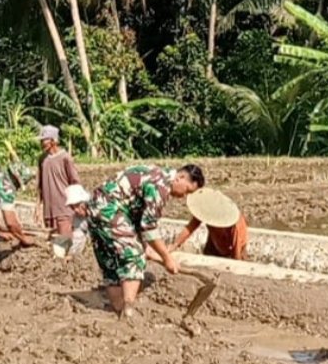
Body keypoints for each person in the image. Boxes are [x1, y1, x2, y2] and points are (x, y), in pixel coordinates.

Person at [65, 164, 205, 319]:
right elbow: (149, 228)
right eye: (187, 191)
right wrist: (167, 258)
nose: (184, 196)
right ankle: (128, 311)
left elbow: (138, 226)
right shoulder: (161, 186)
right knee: (135, 257)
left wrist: (155, 254)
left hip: (95, 210)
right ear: (181, 178)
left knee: (112, 264)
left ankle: (117, 310)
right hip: (110, 211)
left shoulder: (153, 175)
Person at [170, 188, 248, 260]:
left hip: (232, 250)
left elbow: (237, 252)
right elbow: (191, 227)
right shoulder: (208, 210)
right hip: (214, 245)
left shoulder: (236, 225)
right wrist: (175, 245)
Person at [35, 124, 80, 238]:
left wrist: (76, 206)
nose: (41, 143)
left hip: (64, 209)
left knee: (64, 242)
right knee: (53, 244)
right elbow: (40, 186)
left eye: (44, 140)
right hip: (48, 211)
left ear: (53, 141)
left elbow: (75, 183)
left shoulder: (65, 158)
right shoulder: (42, 159)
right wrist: (38, 206)